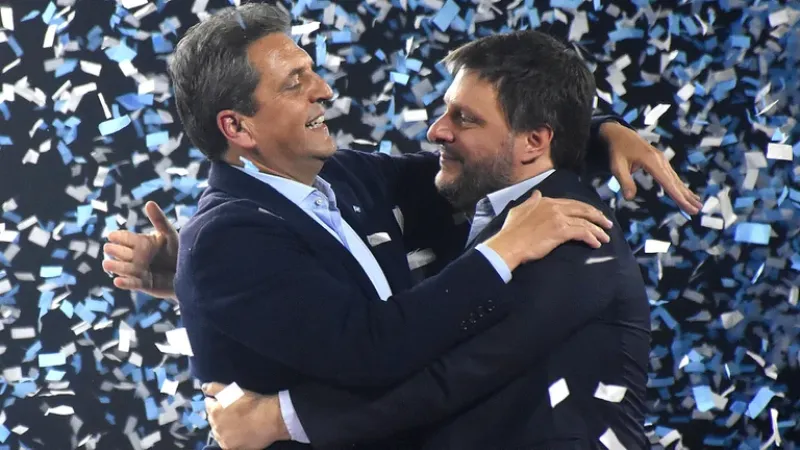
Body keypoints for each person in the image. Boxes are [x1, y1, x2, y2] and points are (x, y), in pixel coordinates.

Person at [101, 4, 701, 450]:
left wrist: (599, 132)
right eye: (295, 83)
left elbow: (481, 159)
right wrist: (505, 248)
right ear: (238, 128)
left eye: (310, 70)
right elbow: (374, 348)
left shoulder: (345, 176)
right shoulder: (226, 240)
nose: (323, 90)